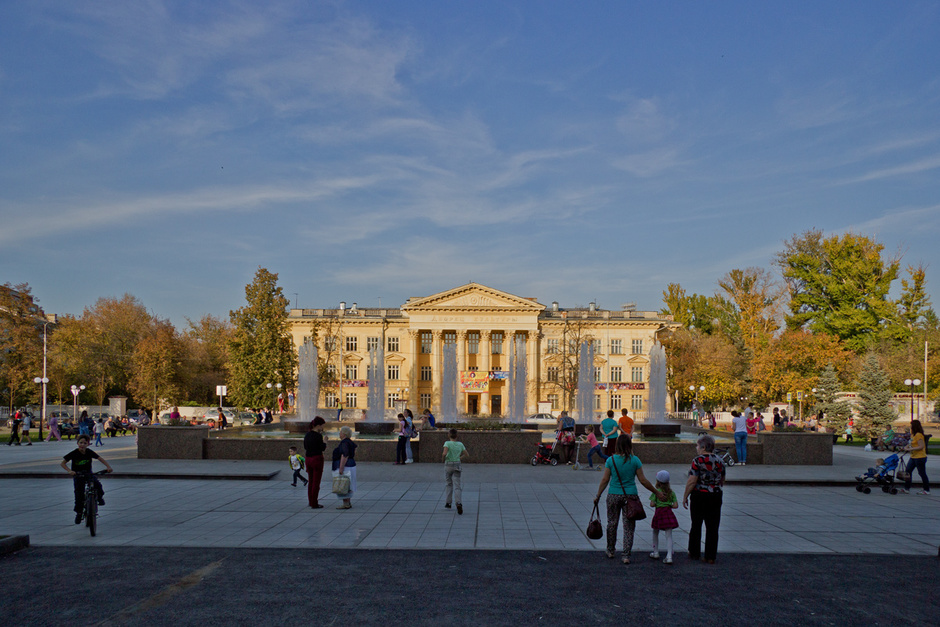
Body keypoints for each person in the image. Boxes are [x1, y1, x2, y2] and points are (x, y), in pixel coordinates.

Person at [593, 435, 661, 564]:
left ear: (617, 445)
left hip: (613, 495)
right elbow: (643, 480)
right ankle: (626, 555)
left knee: (612, 523)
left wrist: (598, 495)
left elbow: (605, 480)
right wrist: (656, 492)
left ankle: (611, 550)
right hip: (630, 497)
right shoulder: (635, 460)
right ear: (630, 445)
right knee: (629, 527)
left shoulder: (611, 460)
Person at [683, 434, 726, 564]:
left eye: (697, 445)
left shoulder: (697, 461)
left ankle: (694, 552)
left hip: (699, 495)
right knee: (713, 526)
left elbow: (692, 480)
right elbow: (722, 480)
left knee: (696, 524)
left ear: (703, 447)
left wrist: (685, 496)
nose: (696, 448)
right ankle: (710, 556)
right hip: (715, 495)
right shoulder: (720, 461)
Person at [60, 434, 113, 524]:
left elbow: (100, 458)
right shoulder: (74, 453)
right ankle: (79, 513)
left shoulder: (89, 452)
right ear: (77, 443)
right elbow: (63, 463)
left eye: (85, 443)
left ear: (88, 444)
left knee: (97, 485)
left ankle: (99, 498)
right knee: (79, 494)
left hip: (88, 473)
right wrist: (70, 471)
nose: (82, 445)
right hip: (78, 475)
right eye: (81, 443)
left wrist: (108, 467)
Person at [649, 470, 679, 564]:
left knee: (655, 531)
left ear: (658, 482)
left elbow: (652, 504)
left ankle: (656, 552)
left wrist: (658, 502)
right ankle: (669, 556)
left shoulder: (656, 492)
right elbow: (675, 505)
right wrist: (668, 504)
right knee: (669, 535)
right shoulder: (671, 493)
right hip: (668, 513)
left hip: (659, 513)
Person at [898, 420, 930, 495]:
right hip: (913, 457)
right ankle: (906, 488)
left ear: (914, 426)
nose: (910, 427)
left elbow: (921, 446)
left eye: (911, 425)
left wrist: (910, 449)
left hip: (920, 457)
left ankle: (926, 490)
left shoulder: (919, 435)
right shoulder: (913, 435)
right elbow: (910, 444)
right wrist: (904, 448)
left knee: (922, 473)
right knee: (908, 472)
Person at [442, 428, 469, 514]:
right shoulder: (460, 444)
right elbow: (467, 454)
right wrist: (459, 458)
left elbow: (444, 453)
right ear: (457, 436)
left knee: (449, 483)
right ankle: (458, 503)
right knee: (457, 484)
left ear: (448, 435)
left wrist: (443, 459)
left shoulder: (447, 443)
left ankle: (448, 503)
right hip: (457, 464)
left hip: (448, 464)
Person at [304, 417, 327, 508]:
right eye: (322, 426)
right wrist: (325, 442)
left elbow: (306, 447)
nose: (323, 428)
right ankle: (314, 503)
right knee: (316, 482)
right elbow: (322, 448)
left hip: (308, 459)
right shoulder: (318, 436)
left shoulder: (307, 434)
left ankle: (311, 501)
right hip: (317, 459)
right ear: (318, 425)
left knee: (311, 481)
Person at [332, 426, 357, 509]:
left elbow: (344, 455)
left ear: (344, 434)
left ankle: (345, 503)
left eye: (340, 432)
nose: (339, 434)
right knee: (348, 484)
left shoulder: (344, 443)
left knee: (344, 484)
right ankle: (348, 502)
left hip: (346, 466)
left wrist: (341, 468)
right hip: (351, 465)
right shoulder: (350, 442)